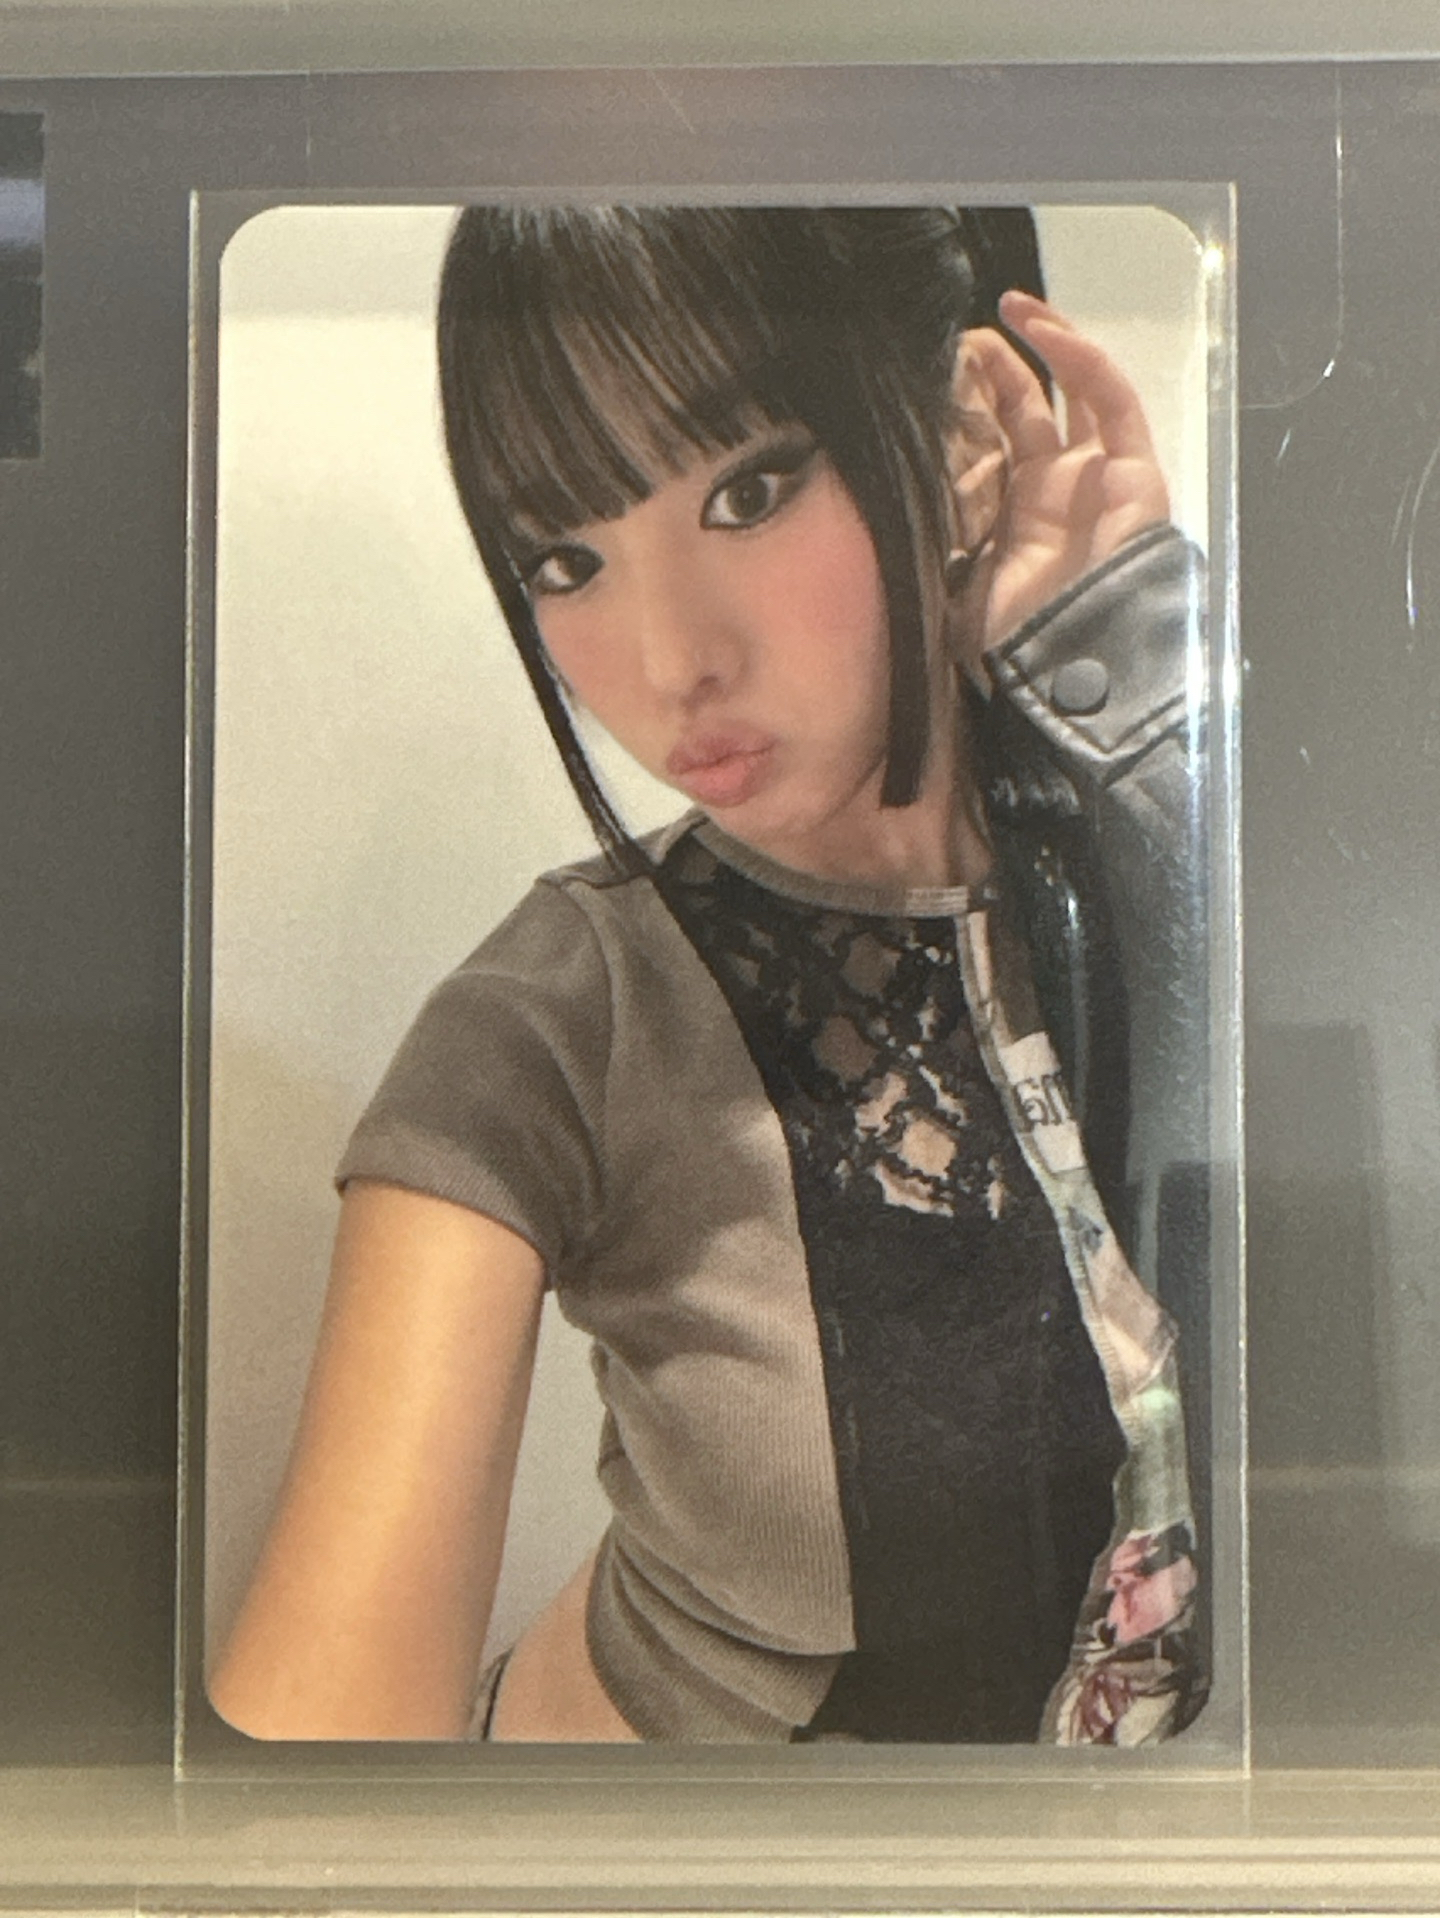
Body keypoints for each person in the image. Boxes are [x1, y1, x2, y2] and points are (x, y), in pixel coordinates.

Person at [209, 205, 1208, 1746]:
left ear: (963, 435)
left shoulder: (1145, 846)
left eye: (749, 487)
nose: (671, 659)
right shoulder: (557, 1016)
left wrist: (1146, 697)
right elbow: (306, 1786)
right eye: (566, 558)